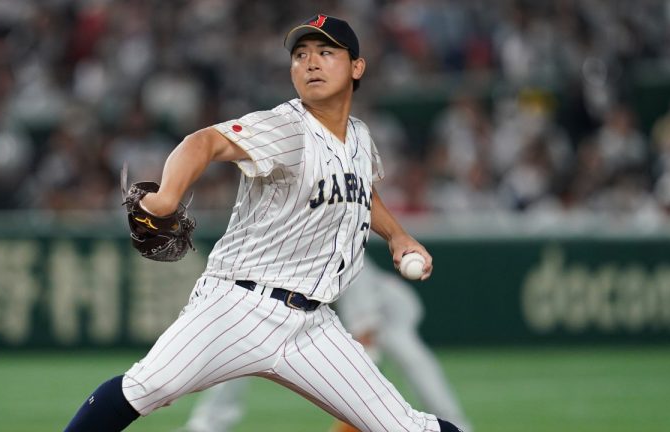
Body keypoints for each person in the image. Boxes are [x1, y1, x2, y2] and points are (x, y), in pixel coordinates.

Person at [64, 14, 464, 432]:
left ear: (357, 67)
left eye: (326, 52)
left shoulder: (360, 137)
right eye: (300, 55)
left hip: (314, 325)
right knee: (144, 388)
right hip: (239, 306)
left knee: (410, 427)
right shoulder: (286, 128)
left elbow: (359, 189)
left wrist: (398, 236)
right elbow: (203, 142)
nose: (310, 62)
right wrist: (166, 196)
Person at [177, 257, 473, 432]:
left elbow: (365, 337)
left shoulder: (339, 251)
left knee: (410, 357)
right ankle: (206, 424)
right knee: (243, 347)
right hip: (319, 314)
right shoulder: (282, 252)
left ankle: (453, 423)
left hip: (386, 309)